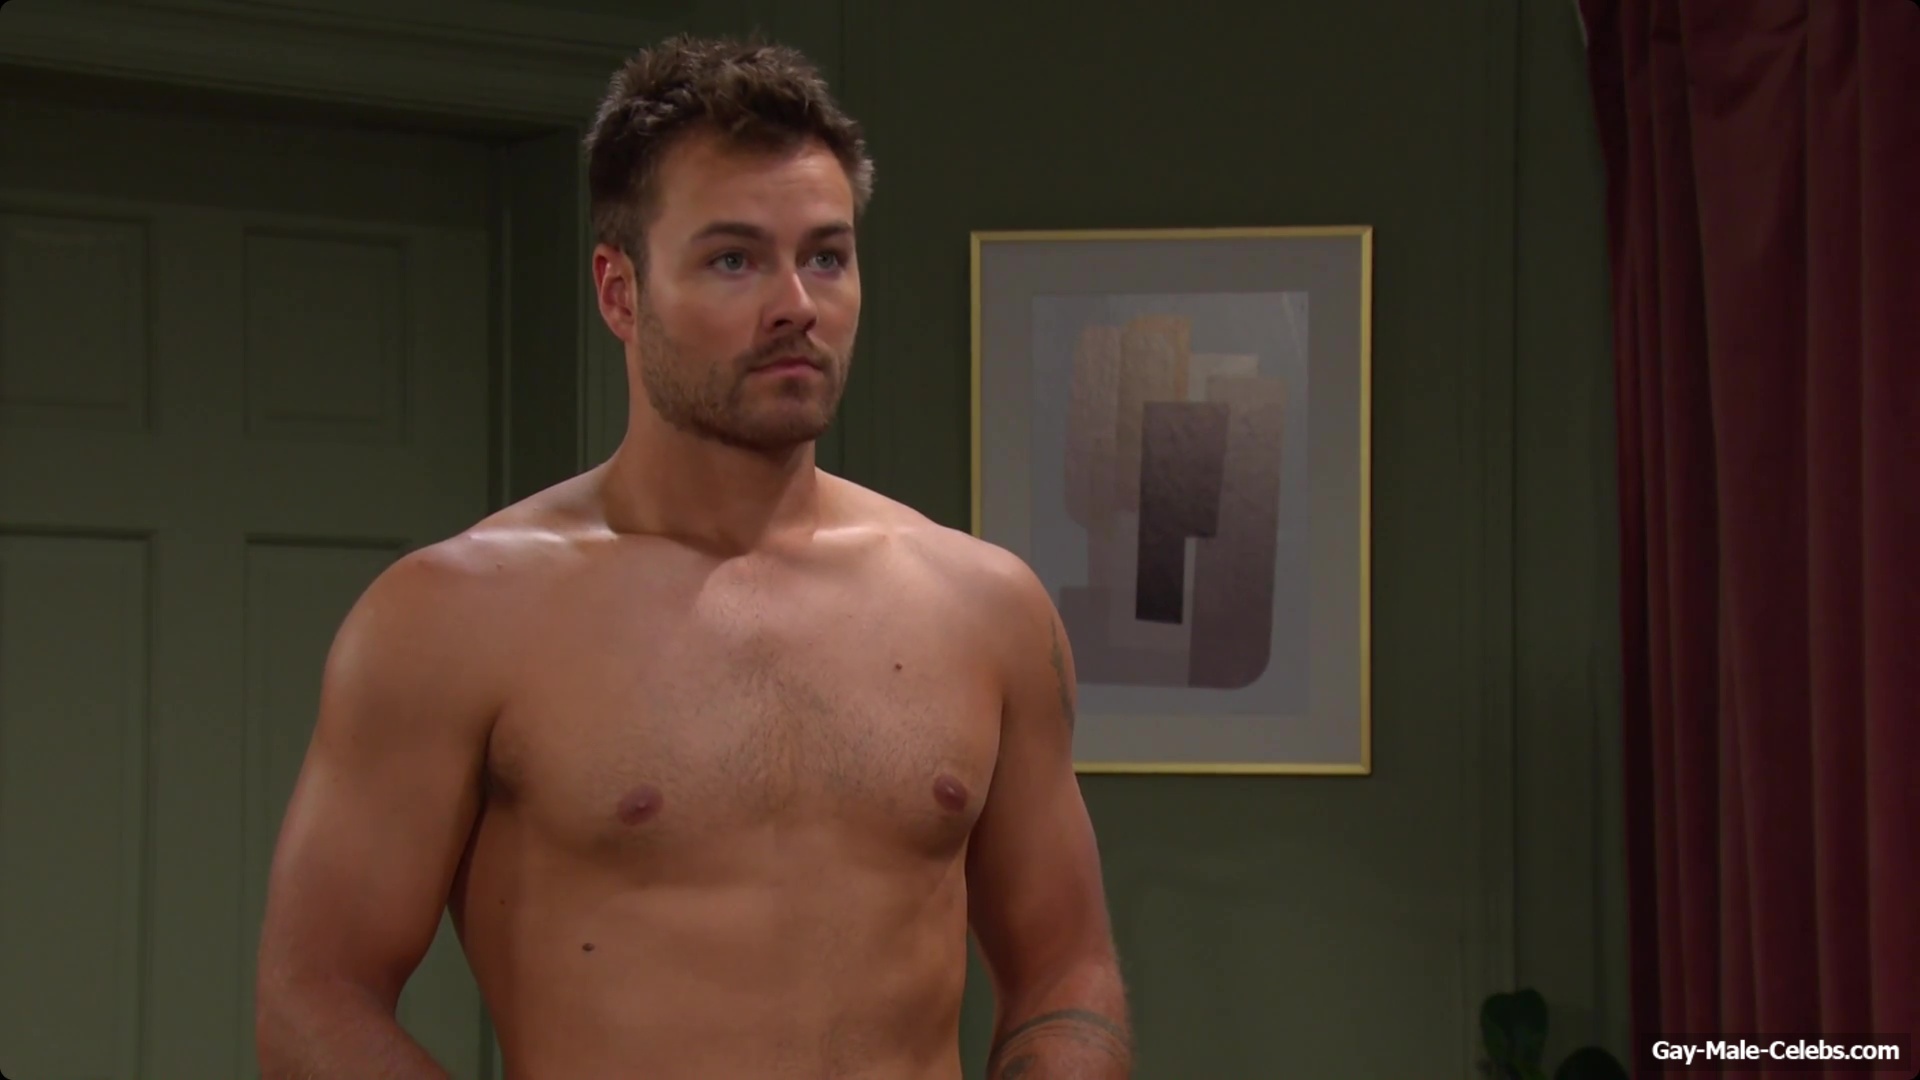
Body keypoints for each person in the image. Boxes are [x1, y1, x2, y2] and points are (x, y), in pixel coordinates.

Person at [252, 33, 1132, 1080]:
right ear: (619, 292)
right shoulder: (453, 616)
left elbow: (1066, 970)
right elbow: (315, 1002)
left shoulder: (987, 608)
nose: (795, 305)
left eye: (826, 256)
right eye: (733, 259)